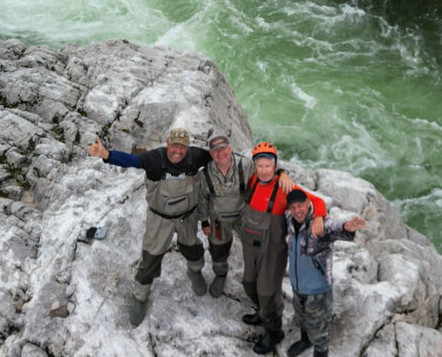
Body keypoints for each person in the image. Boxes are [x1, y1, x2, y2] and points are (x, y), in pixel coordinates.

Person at [88, 127, 211, 326]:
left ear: (187, 148)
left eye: (182, 147)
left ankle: (195, 271)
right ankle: (140, 296)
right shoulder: (155, 159)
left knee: (192, 246)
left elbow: (221, 159)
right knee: (150, 257)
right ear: (167, 144)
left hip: (187, 216)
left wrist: (280, 172)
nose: (178, 151)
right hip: (160, 218)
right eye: (174, 146)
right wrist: (105, 154)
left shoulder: (196, 156)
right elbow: (131, 160)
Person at [241, 142, 327, 354]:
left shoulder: (285, 188)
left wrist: (319, 218)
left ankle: (273, 331)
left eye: (268, 166)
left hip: (273, 250)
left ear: (274, 165)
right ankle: (263, 312)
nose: (263, 171)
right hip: (250, 246)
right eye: (259, 166)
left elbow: (317, 201)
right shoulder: (253, 180)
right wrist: (282, 172)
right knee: (249, 284)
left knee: (267, 292)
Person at [197, 134, 295, 298]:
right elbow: (202, 199)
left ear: (230, 149)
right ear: (211, 154)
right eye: (215, 151)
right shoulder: (204, 174)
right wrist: (204, 222)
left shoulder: (246, 164)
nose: (220, 154)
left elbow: (268, 168)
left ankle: (269, 266)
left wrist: (283, 173)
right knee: (218, 249)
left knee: (259, 243)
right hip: (219, 220)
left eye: (223, 150)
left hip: (244, 216)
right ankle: (221, 274)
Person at [283, 188, 366, 357]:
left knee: (320, 330)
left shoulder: (319, 224)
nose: (297, 210)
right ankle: (305, 340)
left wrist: (347, 227)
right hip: (297, 284)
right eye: (293, 207)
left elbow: (333, 227)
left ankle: (320, 353)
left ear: (308, 204)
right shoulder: (288, 219)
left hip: (318, 289)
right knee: (302, 318)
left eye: (301, 206)